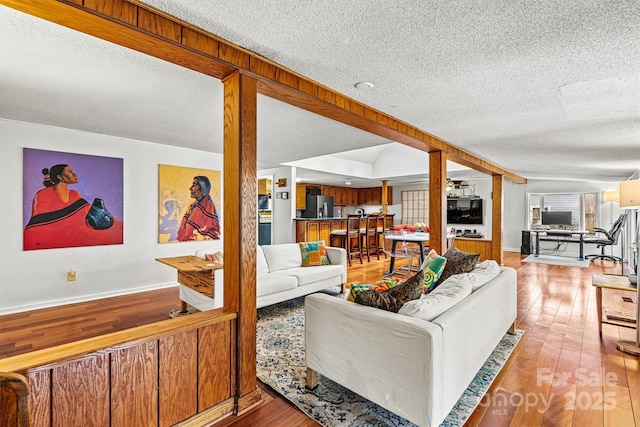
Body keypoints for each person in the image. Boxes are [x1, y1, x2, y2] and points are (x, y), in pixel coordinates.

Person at [24, 164, 123, 250]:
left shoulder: (74, 194)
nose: (74, 174)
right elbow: (38, 224)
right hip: (48, 238)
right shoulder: (42, 194)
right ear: (59, 176)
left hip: (76, 234)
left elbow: (86, 214)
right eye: (69, 172)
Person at [177, 175, 221, 241]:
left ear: (202, 189)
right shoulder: (193, 206)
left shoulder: (207, 209)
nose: (190, 188)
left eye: (194, 185)